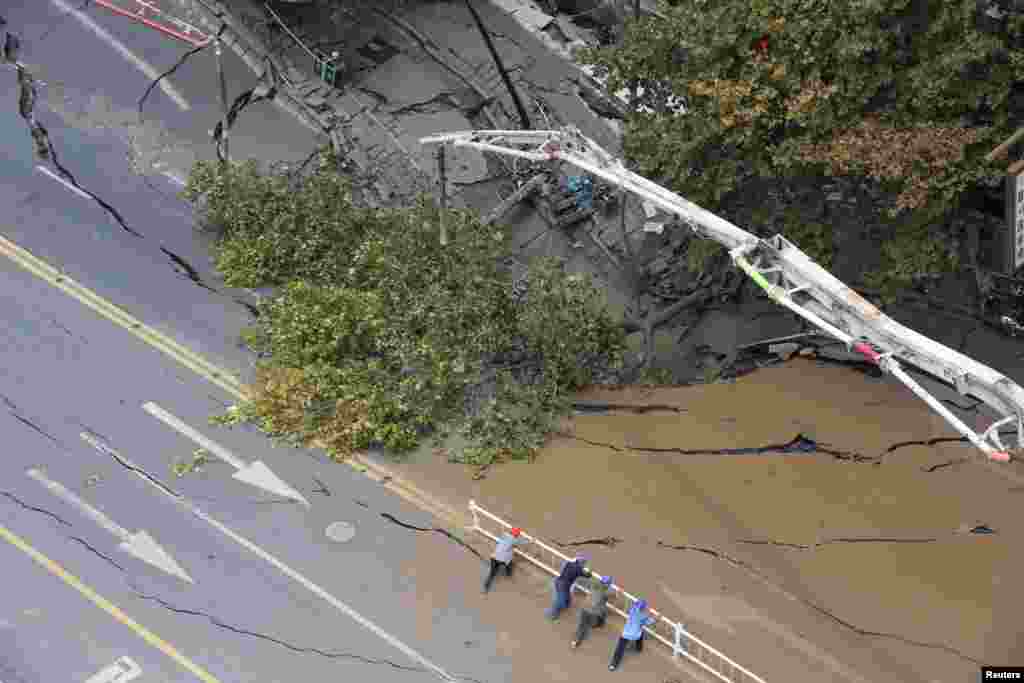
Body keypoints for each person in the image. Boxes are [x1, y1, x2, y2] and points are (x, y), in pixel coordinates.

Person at [609, 599, 656, 671]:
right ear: (643, 608)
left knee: (619, 649)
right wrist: (656, 618)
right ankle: (639, 648)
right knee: (640, 633)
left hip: (625, 634)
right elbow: (649, 622)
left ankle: (613, 664)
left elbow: (634, 606)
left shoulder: (631, 611)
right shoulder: (643, 616)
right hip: (635, 635)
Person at [571, 574, 612, 648]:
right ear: (607, 584)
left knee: (581, 626)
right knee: (600, 616)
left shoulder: (593, 586)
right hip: (593, 612)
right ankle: (597, 625)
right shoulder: (605, 593)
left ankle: (575, 641)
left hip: (584, 608)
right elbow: (612, 596)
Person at [545, 553, 590, 620]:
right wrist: (589, 571)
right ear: (581, 562)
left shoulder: (569, 563)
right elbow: (588, 575)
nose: (584, 564)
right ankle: (552, 614)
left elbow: (563, 567)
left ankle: (565, 605)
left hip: (559, 581)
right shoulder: (579, 569)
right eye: (584, 562)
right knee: (559, 601)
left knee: (566, 597)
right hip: (563, 585)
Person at [483, 527, 526, 593]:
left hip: (494, 557)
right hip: (501, 560)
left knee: (491, 574)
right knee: (510, 563)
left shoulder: (505, 535)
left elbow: (504, 535)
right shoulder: (514, 540)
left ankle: (486, 588)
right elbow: (523, 542)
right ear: (516, 534)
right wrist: (532, 541)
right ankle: (508, 574)